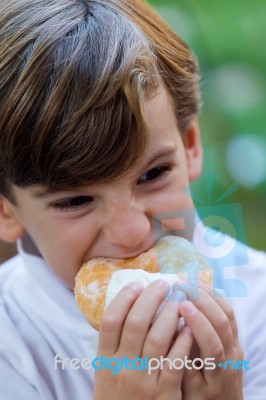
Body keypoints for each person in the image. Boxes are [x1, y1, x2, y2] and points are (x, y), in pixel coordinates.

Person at [0, 0, 265, 399]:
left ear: (190, 146)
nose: (132, 233)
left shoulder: (258, 305)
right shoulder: (11, 346)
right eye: (75, 201)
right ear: (6, 210)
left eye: (153, 174)